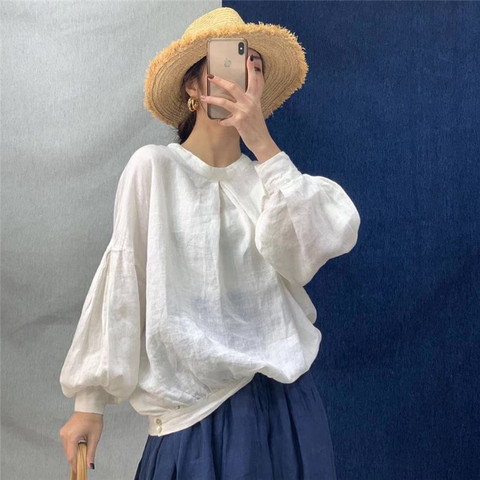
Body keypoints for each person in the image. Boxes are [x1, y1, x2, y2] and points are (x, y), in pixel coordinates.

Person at [59, 6, 360, 479]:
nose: (243, 76)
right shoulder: (154, 168)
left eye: (254, 66)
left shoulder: (272, 181)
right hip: (193, 422)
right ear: (192, 86)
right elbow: (124, 281)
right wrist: (89, 403)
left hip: (288, 412)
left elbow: (313, 249)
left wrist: (263, 145)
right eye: (230, 62)